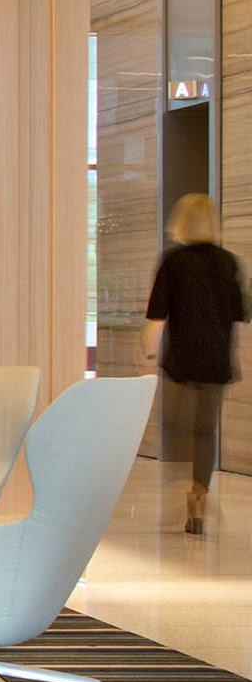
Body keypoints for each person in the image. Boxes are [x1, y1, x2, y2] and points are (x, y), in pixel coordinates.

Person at [142, 193, 246, 536]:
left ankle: (181, 487)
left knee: (174, 424)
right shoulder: (228, 262)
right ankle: (199, 496)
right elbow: (240, 313)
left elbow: (157, 314)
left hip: (181, 361)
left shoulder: (173, 261)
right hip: (216, 361)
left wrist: (147, 350)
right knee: (205, 430)